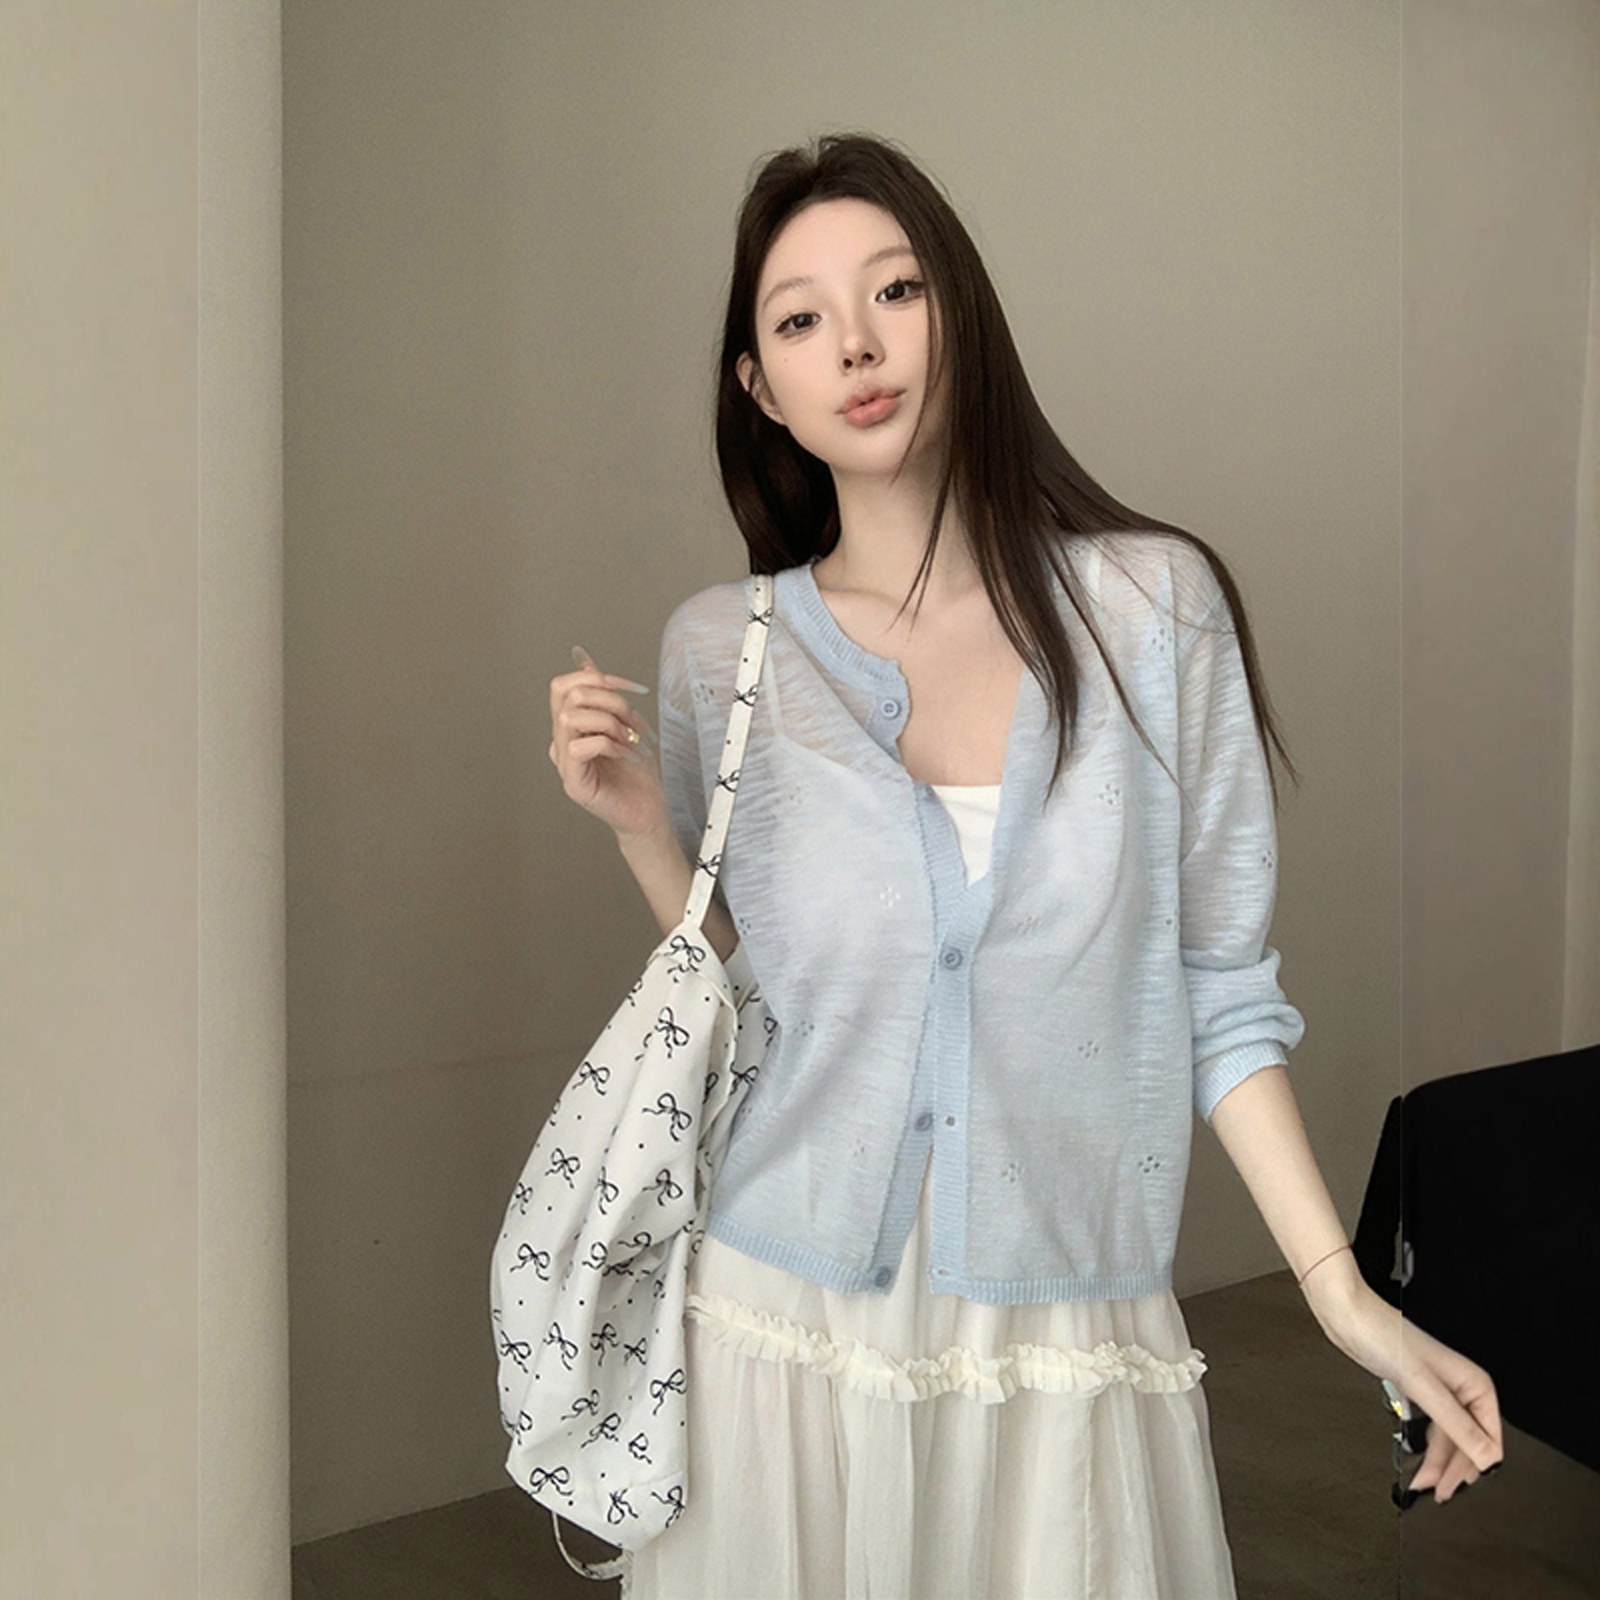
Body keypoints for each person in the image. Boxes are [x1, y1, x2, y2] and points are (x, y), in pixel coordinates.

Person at [546, 132, 1503, 1599]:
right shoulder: (720, 652)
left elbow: (1218, 992)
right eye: (800, 319)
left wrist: (1342, 1296)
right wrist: (640, 831)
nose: (856, 345)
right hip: (780, 1326)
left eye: (896, 291)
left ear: (963, 314)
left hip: (1065, 1329)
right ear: (762, 389)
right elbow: (752, 988)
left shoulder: (1156, 611)